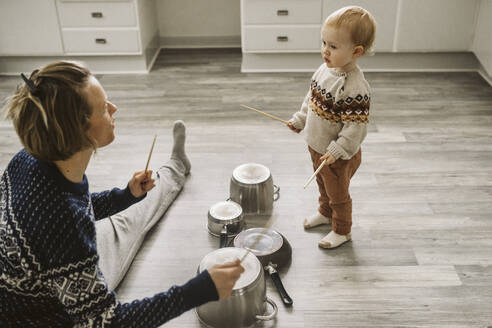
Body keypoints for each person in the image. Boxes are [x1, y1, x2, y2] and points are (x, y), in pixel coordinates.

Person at [0, 61, 244, 327]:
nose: (114, 109)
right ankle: (175, 167)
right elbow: (107, 322)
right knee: (129, 225)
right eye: (104, 108)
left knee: (131, 211)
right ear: (80, 130)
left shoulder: (29, 160)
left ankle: (176, 166)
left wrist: (124, 196)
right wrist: (200, 289)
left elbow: (74, 209)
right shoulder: (62, 223)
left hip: (49, 269)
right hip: (57, 314)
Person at [287, 6, 376, 249]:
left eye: (334, 46)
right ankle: (325, 213)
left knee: (338, 195)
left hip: (337, 156)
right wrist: (300, 119)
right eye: (324, 42)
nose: (325, 50)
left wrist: (337, 151)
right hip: (317, 146)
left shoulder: (355, 88)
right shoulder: (325, 69)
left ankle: (342, 230)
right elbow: (312, 99)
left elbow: (356, 129)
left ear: (356, 51)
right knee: (323, 186)